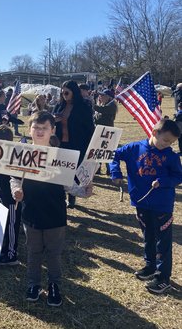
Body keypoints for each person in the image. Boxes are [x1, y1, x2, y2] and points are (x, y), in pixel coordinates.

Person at [11, 111, 92, 306]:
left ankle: (54, 285)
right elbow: (13, 177)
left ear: (52, 130)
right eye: (36, 128)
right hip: (31, 212)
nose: (39, 132)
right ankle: (34, 284)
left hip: (55, 213)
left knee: (54, 253)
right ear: (29, 129)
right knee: (33, 251)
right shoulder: (22, 153)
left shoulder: (60, 156)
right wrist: (16, 190)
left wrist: (84, 192)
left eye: (44, 128)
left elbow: (69, 185)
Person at [109, 119, 182, 294]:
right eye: (165, 140)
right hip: (141, 202)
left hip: (162, 205)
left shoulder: (170, 156)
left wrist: (164, 181)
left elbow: (178, 177)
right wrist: (115, 172)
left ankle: (162, 277)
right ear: (154, 133)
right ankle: (150, 266)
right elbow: (114, 154)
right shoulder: (134, 148)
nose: (167, 145)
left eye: (171, 143)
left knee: (162, 241)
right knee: (148, 235)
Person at [53, 80, 95, 208]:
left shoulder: (83, 107)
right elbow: (49, 121)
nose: (64, 95)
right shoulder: (59, 106)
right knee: (61, 171)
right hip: (61, 144)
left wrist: (90, 146)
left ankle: (72, 198)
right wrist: (54, 120)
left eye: (66, 92)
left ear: (74, 92)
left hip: (77, 144)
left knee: (73, 172)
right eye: (62, 93)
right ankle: (62, 197)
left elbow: (89, 128)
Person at [0, 124, 22, 266]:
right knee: (5, 223)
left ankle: (11, 255)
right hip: (2, 195)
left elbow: (14, 178)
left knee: (12, 225)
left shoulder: (13, 158)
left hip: (12, 199)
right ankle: (3, 249)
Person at [94, 89, 117, 174]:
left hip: (107, 132)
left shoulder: (112, 106)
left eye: (103, 95)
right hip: (100, 131)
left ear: (109, 97)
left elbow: (102, 110)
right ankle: (98, 169)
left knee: (107, 152)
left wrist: (92, 105)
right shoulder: (103, 105)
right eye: (100, 95)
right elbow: (97, 117)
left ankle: (109, 170)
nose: (100, 97)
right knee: (99, 151)